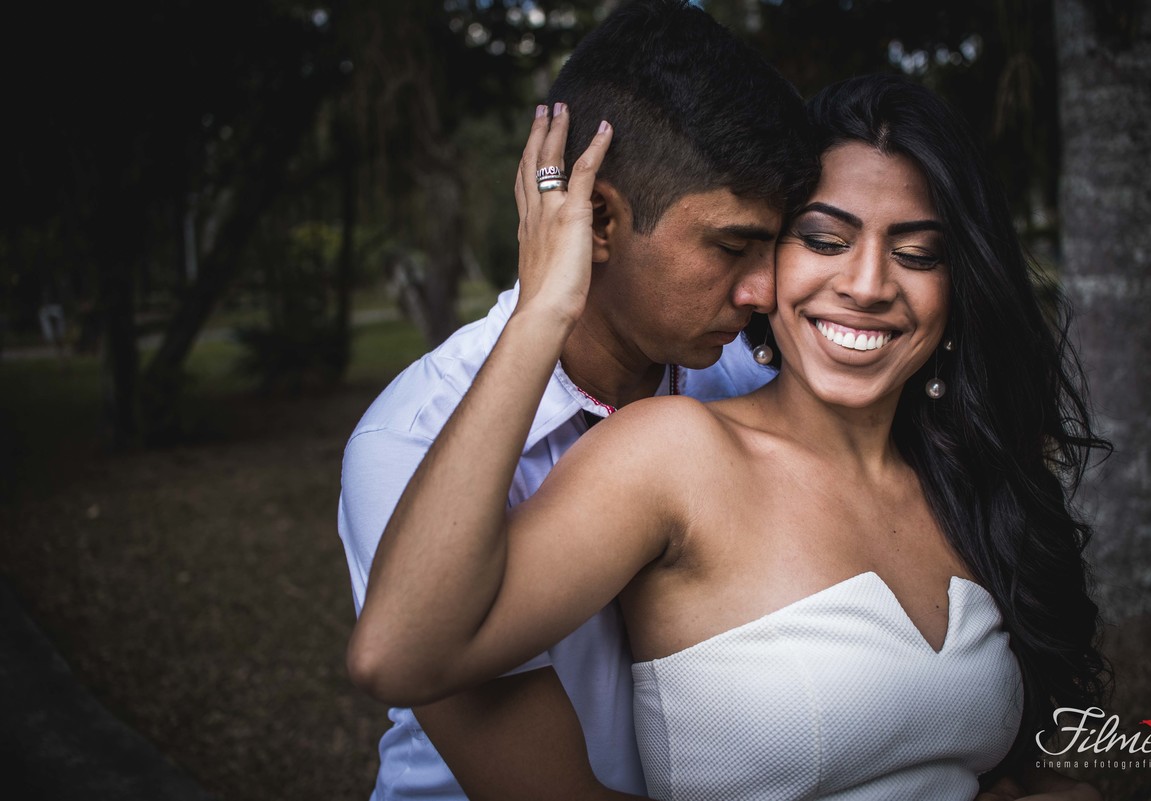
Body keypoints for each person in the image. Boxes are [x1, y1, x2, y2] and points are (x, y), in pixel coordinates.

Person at [348, 71, 1110, 800]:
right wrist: (543, 307)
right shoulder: (636, 446)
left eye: (918, 253)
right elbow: (406, 659)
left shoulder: (949, 465)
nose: (869, 284)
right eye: (823, 238)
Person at [337, 2, 810, 798]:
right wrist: (543, 311)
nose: (762, 290)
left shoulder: (739, 385)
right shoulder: (410, 439)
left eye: (774, 247)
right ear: (596, 218)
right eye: (732, 246)